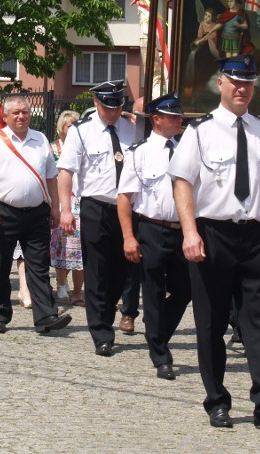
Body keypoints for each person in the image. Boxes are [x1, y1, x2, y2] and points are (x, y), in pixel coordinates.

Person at [167, 54, 260, 430]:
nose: (242, 89)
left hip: (256, 236)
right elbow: (182, 183)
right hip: (213, 234)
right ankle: (217, 401)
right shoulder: (200, 131)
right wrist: (190, 232)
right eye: (235, 82)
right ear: (220, 83)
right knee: (209, 323)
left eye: (249, 82)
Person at [0, 95, 71, 334]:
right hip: (2, 212)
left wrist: (55, 207)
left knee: (38, 265)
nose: (21, 116)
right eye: (16, 112)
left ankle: (46, 315)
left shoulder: (40, 140)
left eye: (25, 112)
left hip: (37, 213)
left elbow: (51, 177)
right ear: (5, 116)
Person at [57, 79, 136, 356]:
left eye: (117, 107)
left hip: (127, 209)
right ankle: (101, 332)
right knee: (96, 270)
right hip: (95, 206)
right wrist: (65, 210)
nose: (113, 113)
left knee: (122, 271)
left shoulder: (131, 128)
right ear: (96, 103)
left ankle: (108, 312)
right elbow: (66, 171)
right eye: (107, 107)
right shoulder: (81, 131)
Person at [117, 92, 191, 380]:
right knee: (153, 291)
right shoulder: (140, 152)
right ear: (157, 119)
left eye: (179, 115)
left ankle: (157, 331)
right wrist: (129, 237)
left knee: (185, 289)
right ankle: (161, 354)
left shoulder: (187, 150)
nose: (179, 119)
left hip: (182, 230)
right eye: (172, 115)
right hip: (152, 228)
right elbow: (125, 198)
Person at [50, 110, 84, 305]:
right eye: (69, 125)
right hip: (62, 200)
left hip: (79, 200)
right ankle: (62, 284)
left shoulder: (83, 146)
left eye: (75, 125)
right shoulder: (53, 148)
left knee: (79, 249)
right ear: (61, 128)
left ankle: (78, 290)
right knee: (62, 246)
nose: (72, 128)